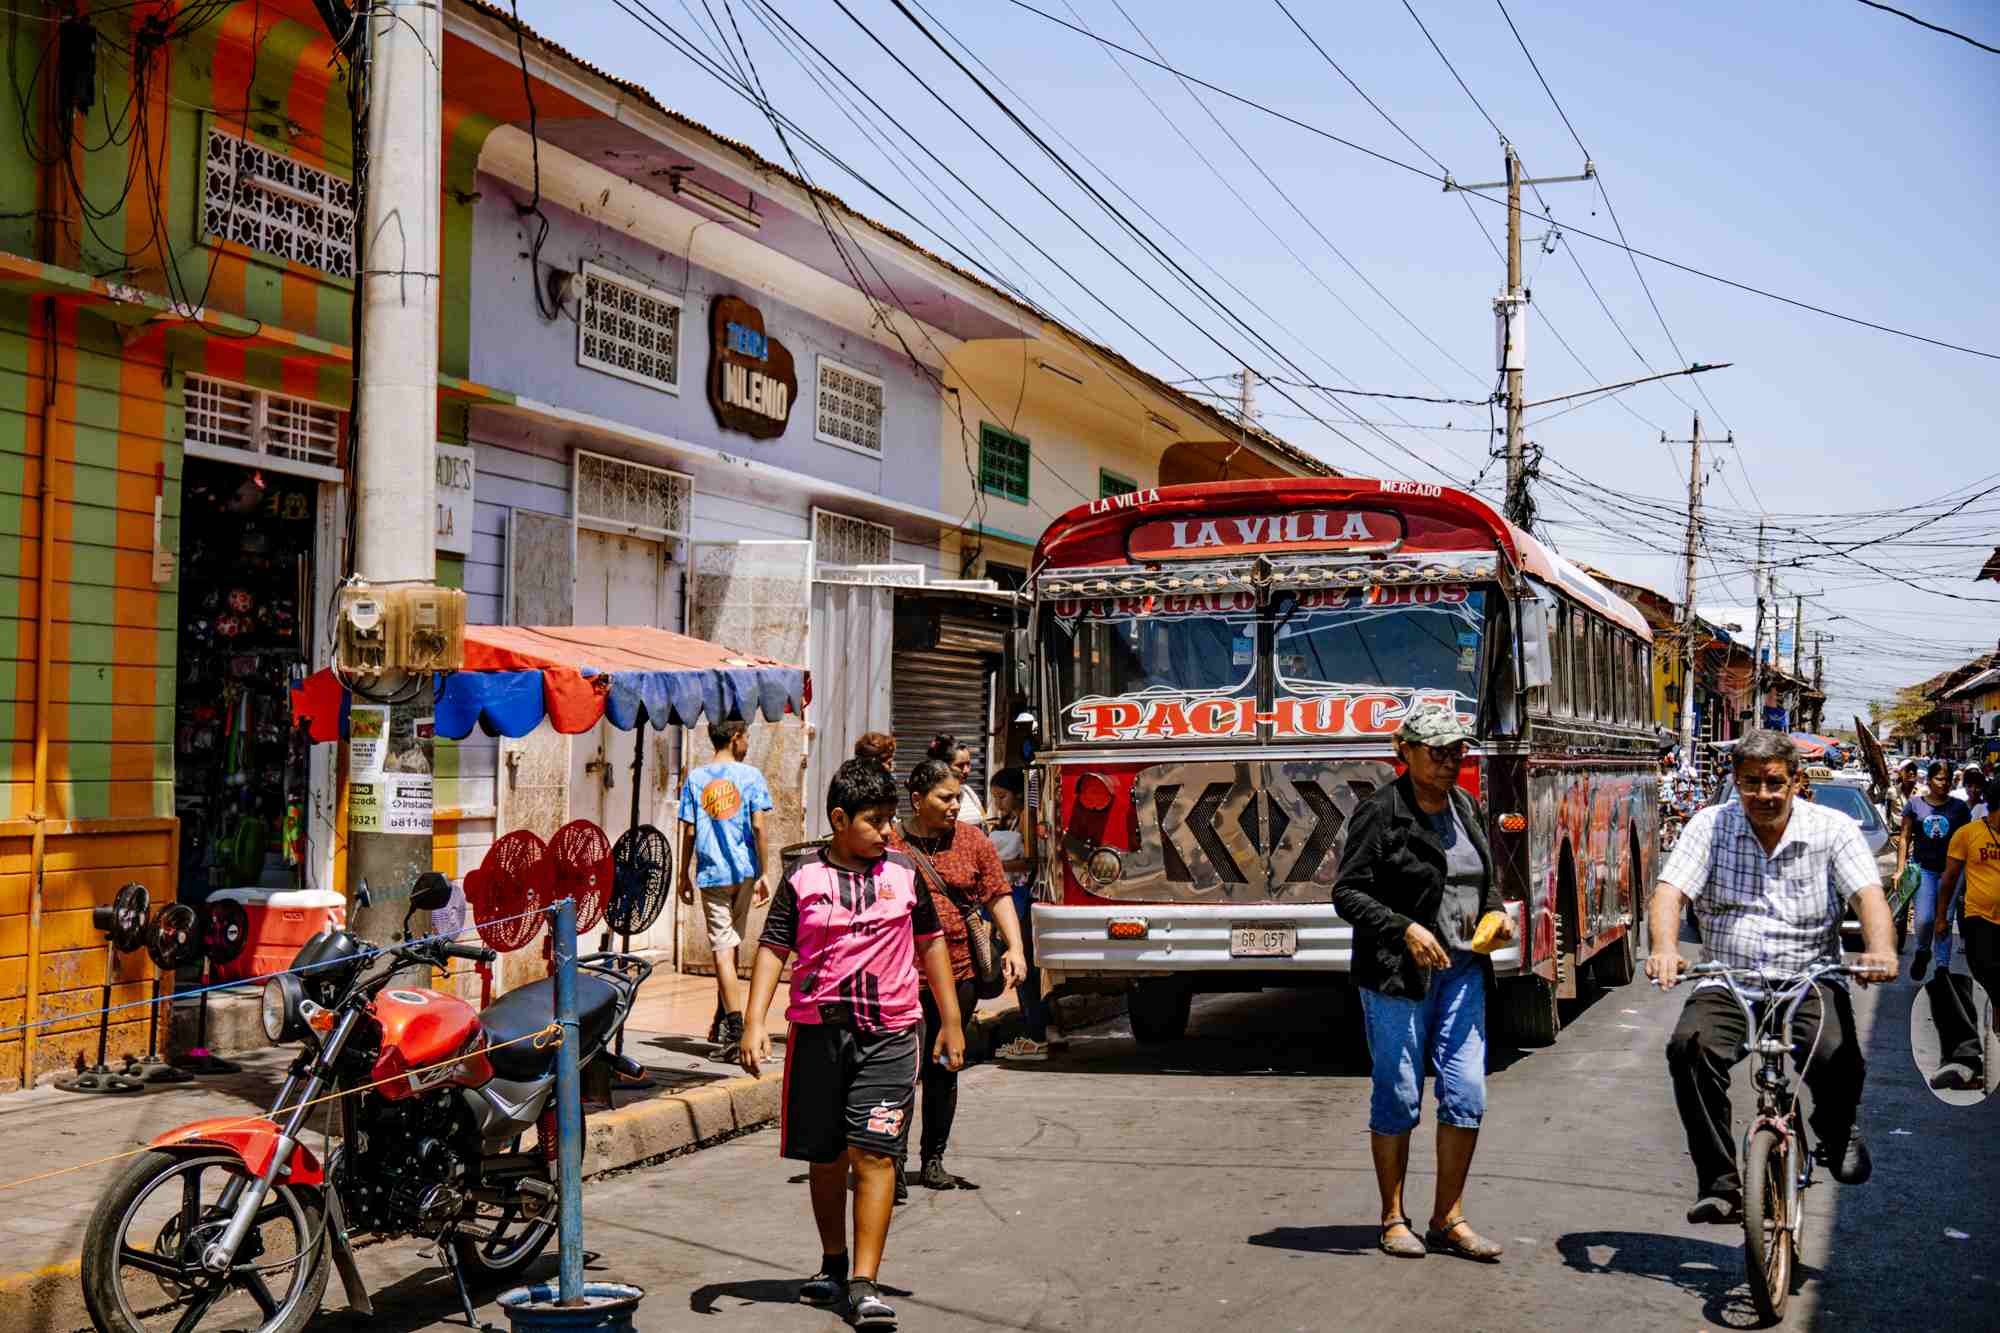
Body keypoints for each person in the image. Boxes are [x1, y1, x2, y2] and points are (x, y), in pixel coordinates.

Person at [737, 758, 965, 1330]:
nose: (888, 832)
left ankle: (865, 1281)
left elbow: (932, 946)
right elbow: (773, 948)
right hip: (817, 1035)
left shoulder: (905, 875)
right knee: (827, 1155)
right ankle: (833, 1264)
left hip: (890, 1033)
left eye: (891, 819)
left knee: (875, 1153)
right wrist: (753, 1022)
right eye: (875, 821)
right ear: (839, 820)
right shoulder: (802, 880)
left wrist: (952, 1022)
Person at [1648, 729, 1898, 1226]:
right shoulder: (1708, 826)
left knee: (1835, 1054)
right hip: (1729, 978)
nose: (1762, 795)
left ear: (1795, 782)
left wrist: (1881, 950)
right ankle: (1719, 1185)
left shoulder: (1833, 828)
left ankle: (1836, 1128)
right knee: (1689, 1048)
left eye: (1773, 783)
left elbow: (1867, 896)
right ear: (1735, 782)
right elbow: (1669, 893)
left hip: (1808, 976)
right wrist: (1664, 948)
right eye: (1750, 783)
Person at [1331, 706, 1513, 1262]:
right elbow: (1348, 893)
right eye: (1436, 752)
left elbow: (1484, 879)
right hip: (1397, 976)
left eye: (1456, 751)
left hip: (1462, 972)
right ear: (1403, 752)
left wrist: (1496, 914)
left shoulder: (1464, 805)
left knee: (1466, 1094)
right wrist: (1404, 928)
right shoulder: (1380, 814)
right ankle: (1393, 1218)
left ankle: (1447, 1219)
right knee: (1400, 1092)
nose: (1448, 762)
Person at [887, 759, 1026, 1198]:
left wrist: (1016, 947)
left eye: (956, 797)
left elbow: (998, 894)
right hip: (901, 976)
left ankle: (933, 1159)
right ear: (916, 800)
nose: (954, 806)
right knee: (900, 1072)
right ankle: (890, 1162)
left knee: (944, 1066)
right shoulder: (890, 843)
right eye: (944, 798)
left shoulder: (972, 841)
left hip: (961, 972)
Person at [677, 720, 775, 1059]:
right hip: (745, 871)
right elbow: (759, 826)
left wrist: (682, 874)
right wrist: (763, 872)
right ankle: (727, 1023)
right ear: (735, 738)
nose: (748, 744)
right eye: (746, 737)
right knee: (730, 946)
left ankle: (734, 1026)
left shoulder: (696, 778)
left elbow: (689, 833)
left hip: (712, 873)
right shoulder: (751, 776)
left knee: (722, 948)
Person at [987, 768, 1050, 1060]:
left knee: (1024, 971)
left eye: (1002, 796)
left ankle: (1035, 1037)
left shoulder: (1026, 818)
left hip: (1023, 901)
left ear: (1017, 793)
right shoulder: (1013, 818)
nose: (998, 803)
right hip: (1018, 899)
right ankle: (1043, 1032)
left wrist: (995, 866)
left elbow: (1030, 862)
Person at [1937, 799, 2000, 1089]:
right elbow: (1948, 879)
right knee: (1988, 980)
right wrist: (1941, 917)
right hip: (1977, 919)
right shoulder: (1968, 834)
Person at [1898, 760, 1972, 982]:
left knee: (1945, 920)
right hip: (1924, 871)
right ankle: (1922, 950)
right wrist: (1900, 868)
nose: (1944, 783)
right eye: (1939, 778)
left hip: (1951, 871)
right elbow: (1904, 837)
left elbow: (1967, 839)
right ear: (1929, 780)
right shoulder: (1915, 805)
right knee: (1924, 919)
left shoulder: (1959, 808)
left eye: (1948, 779)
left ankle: (1942, 967)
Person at [926, 733, 986, 823]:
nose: (966, 770)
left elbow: (984, 819)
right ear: (943, 765)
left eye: (968, 764)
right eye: (960, 765)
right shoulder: (933, 797)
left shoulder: (967, 791)